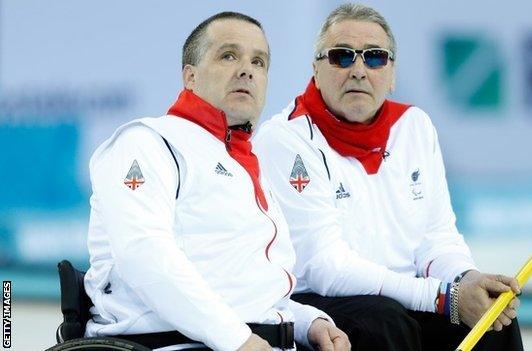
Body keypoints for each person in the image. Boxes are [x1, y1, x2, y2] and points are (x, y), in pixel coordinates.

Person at [253, 4, 523, 351]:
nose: (359, 70)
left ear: (392, 73)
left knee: (494, 320)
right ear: (316, 71)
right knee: (384, 322)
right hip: (320, 298)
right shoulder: (285, 139)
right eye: (342, 56)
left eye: (375, 57)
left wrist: (466, 280)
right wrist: (444, 297)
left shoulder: (415, 126)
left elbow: (437, 239)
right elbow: (327, 267)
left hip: (406, 297)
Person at [83, 11, 350, 351]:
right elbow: (143, 256)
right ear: (189, 77)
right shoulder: (147, 142)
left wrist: (307, 323)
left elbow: (243, 289)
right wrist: (237, 339)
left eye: (259, 62)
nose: (246, 69)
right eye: (228, 55)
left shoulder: (244, 164)